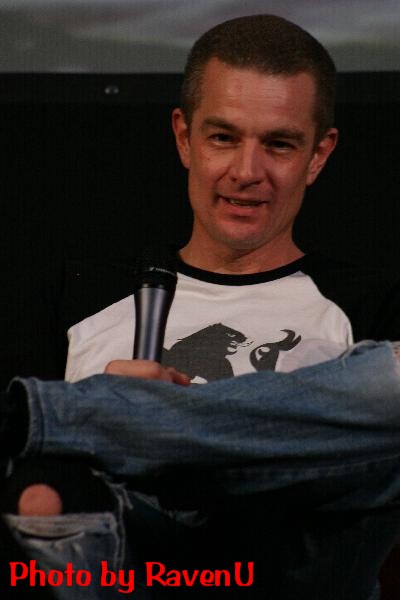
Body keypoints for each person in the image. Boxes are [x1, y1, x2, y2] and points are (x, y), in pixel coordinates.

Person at [3, 13, 400, 600]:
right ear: (184, 138)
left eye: (279, 144)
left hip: (288, 565)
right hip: (124, 567)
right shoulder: (78, 293)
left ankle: (85, 417)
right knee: (43, 497)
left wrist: (130, 416)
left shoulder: (370, 304)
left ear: (318, 155)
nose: (247, 172)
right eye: (223, 138)